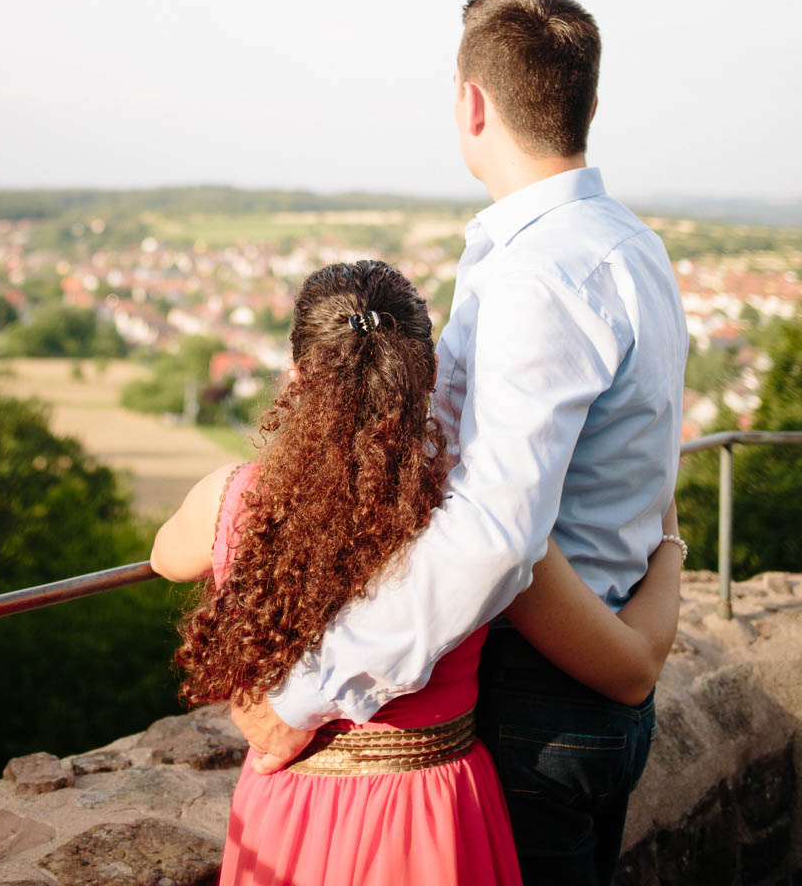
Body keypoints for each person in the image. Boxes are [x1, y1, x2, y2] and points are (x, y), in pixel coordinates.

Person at [230, 0, 690, 886]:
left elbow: (494, 532)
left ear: (470, 103)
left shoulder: (538, 274)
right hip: (600, 680)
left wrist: (310, 694)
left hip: (537, 703)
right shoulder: (631, 244)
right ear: (587, 104)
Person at [152, 258, 683, 886]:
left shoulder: (229, 498)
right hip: (430, 811)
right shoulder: (472, 528)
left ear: (297, 376)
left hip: (287, 802)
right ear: (428, 376)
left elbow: (165, 557)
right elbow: (627, 667)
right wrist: (669, 538)